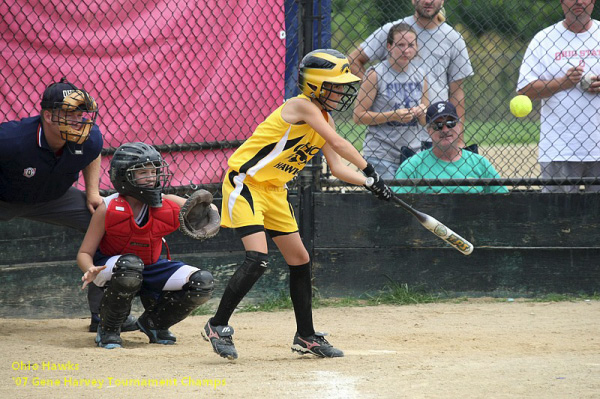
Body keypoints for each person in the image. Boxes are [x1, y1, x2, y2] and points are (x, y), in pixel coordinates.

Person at [201, 49, 392, 360]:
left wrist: (371, 184)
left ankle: (305, 335)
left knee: (300, 259)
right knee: (257, 258)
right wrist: (371, 171)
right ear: (316, 85)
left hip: (275, 190)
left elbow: (340, 166)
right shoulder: (301, 106)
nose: (342, 91)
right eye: (335, 85)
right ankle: (216, 325)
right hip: (245, 183)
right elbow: (341, 145)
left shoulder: (323, 118)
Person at [0, 77, 134, 332]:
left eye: (81, 113)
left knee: (108, 225)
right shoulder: (11, 139)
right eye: (69, 113)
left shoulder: (88, 137)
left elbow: (92, 155)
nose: (78, 120)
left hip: (55, 197)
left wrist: (93, 192)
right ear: (48, 116)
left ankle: (104, 315)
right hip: (5, 198)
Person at [77, 142, 216, 349]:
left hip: (151, 266)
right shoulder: (109, 207)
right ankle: (109, 328)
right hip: (113, 268)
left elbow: (205, 208)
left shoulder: (165, 203)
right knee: (131, 265)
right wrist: (89, 269)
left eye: (154, 171)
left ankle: (154, 323)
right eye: (143, 172)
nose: (151, 177)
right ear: (124, 176)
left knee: (202, 282)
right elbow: (84, 252)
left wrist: (207, 209)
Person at [348, 0, 473, 145]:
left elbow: (456, 92)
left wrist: (458, 139)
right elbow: (353, 61)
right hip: (391, 136)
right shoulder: (393, 30)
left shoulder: (453, 38)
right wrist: (374, 91)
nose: (428, 1)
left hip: (436, 132)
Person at [516, 0, 600, 193]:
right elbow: (525, 89)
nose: (578, 1)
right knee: (558, 216)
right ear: (562, 2)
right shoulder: (544, 39)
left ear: (593, 1)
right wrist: (563, 83)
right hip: (559, 147)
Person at [353, 22, 429, 180]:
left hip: (413, 153)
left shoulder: (420, 74)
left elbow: (424, 121)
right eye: (400, 45)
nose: (406, 50)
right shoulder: (375, 74)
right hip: (381, 154)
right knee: (387, 201)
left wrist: (422, 112)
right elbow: (358, 116)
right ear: (389, 46)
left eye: (410, 45)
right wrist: (392, 115)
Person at [393, 101, 509, 194]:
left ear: (459, 126)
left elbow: (503, 199)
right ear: (428, 130)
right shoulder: (411, 167)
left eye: (450, 123)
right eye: (438, 126)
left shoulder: (480, 164)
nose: (445, 130)